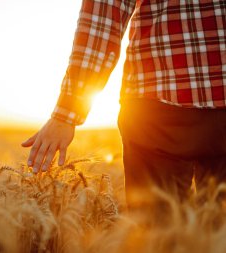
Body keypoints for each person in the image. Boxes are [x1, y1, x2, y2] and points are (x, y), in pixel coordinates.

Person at [21, 0, 226, 211]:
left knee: (157, 235)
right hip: (177, 105)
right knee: (218, 232)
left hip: (157, 100)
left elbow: (103, 18)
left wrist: (67, 113)